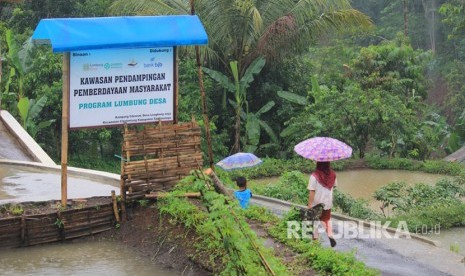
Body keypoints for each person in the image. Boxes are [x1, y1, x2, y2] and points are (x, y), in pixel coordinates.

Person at [307, 161, 337, 247]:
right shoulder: (333, 174)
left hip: (316, 203)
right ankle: (330, 234)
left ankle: (315, 243)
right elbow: (334, 186)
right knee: (326, 220)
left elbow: (312, 192)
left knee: (314, 223)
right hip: (327, 202)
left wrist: (309, 206)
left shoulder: (314, 176)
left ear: (318, 164)